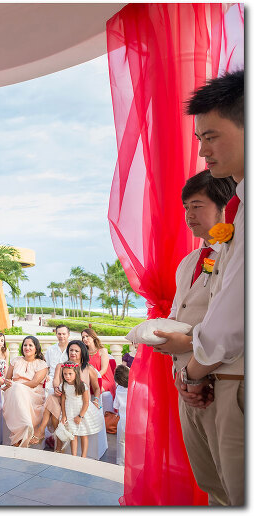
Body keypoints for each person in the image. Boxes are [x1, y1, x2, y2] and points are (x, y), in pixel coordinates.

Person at [154, 70, 244, 506]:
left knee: (236, 492)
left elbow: (229, 320)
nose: (203, 150)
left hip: (225, 378)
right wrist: (183, 374)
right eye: (199, 139)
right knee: (215, 489)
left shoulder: (237, 230)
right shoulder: (190, 262)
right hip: (195, 376)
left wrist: (192, 372)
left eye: (211, 136)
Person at [151, 171, 238, 504]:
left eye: (197, 206)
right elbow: (178, 313)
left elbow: (234, 325)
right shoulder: (188, 263)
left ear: (224, 206)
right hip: (186, 385)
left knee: (235, 485)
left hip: (224, 382)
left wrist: (187, 349)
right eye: (186, 207)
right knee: (209, 480)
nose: (189, 216)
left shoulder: (235, 255)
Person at [30, 340, 101, 449]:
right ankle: (51, 438)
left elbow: (96, 388)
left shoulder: (88, 368)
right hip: (63, 398)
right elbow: (56, 382)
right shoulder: (61, 366)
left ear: (82, 352)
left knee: (54, 409)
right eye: (71, 350)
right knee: (52, 399)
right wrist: (56, 388)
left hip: (78, 402)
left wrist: (96, 399)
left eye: (76, 351)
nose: (73, 353)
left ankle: (47, 436)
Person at [1, 336, 48, 447]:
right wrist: (9, 384)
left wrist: (17, 385)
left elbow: (35, 383)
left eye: (30, 345)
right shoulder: (16, 360)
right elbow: (7, 379)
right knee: (16, 391)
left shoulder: (41, 364)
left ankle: (22, 433)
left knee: (18, 389)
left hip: (33, 392)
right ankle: (25, 426)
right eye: (25, 345)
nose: (27, 347)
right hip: (13, 391)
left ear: (36, 348)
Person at [59, 361, 101, 458]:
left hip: (81, 411)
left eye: (70, 374)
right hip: (70, 411)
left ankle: (83, 456)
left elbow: (86, 402)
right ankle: (74, 456)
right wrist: (64, 415)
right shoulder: (64, 385)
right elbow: (63, 400)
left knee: (83, 434)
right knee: (72, 434)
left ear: (76, 373)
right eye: (65, 374)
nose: (67, 376)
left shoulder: (82, 386)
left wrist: (80, 416)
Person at [82, 328, 115, 397]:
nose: (85, 339)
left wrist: (93, 379)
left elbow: (104, 369)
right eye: (83, 337)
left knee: (96, 387)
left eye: (87, 336)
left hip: (104, 379)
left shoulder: (103, 351)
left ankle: (96, 403)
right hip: (89, 379)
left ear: (93, 337)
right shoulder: (84, 353)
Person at [44, 325, 70, 395]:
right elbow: (46, 366)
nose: (61, 336)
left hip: (68, 378)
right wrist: (45, 375)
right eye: (59, 334)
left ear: (68, 335)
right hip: (52, 378)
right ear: (56, 334)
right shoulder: (51, 349)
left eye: (64, 334)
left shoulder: (72, 349)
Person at [113, 364, 129, 467]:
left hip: (123, 420)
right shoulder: (137, 386)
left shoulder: (119, 389)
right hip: (137, 420)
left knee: (122, 441)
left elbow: (115, 406)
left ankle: (121, 462)